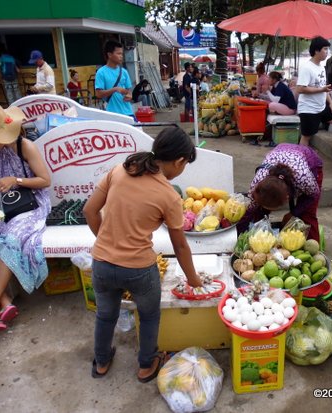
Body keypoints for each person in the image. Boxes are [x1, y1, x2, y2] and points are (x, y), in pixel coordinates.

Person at [83, 127, 203, 382]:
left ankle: (102, 362)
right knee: (148, 316)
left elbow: (89, 211)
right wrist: (193, 279)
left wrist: (107, 243)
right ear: (179, 161)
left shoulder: (119, 170)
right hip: (139, 270)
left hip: (102, 263)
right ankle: (146, 365)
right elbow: (180, 246)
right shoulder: (169, 196)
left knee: (105, 314)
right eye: (184, 166)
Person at [0, 102, 52, 333]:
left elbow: (45, 181)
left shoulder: (26, 146)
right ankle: (4, 300)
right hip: (7, 206)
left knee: (12, 238)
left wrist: (16, 179)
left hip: (33, 204)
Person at [237, 143, 323, 241]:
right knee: (258, 212)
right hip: (282, 152)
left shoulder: (304, 179)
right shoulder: (257, 183)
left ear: (287, 197)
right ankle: (260, 238)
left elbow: (314, 195)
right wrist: (238, 235)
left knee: (307, 215)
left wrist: (294, 213)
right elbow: (248, 212)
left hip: (310, 162)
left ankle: (315, 248)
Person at [296, 36, 332, 160]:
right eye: (324, 49)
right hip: (309, 109)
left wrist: (331, 102)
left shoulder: (321, 67)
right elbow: (300, 89)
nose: (327, 52)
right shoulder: (307, 68)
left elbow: (324, 87)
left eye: (328, 49)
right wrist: (321, 90)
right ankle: (300, 161)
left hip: (322, 106)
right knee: (306, 136)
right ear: (316, 51)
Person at [95, 41, 133, 117]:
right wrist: (115, 89)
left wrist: (129, 95)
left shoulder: (124, 72)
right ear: (109, 55)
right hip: (112, 114)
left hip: (128, 112)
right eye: (118, 54)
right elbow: (98, 94)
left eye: (122, 54)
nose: (121, 56)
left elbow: (129, 91)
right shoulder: (101, 72)